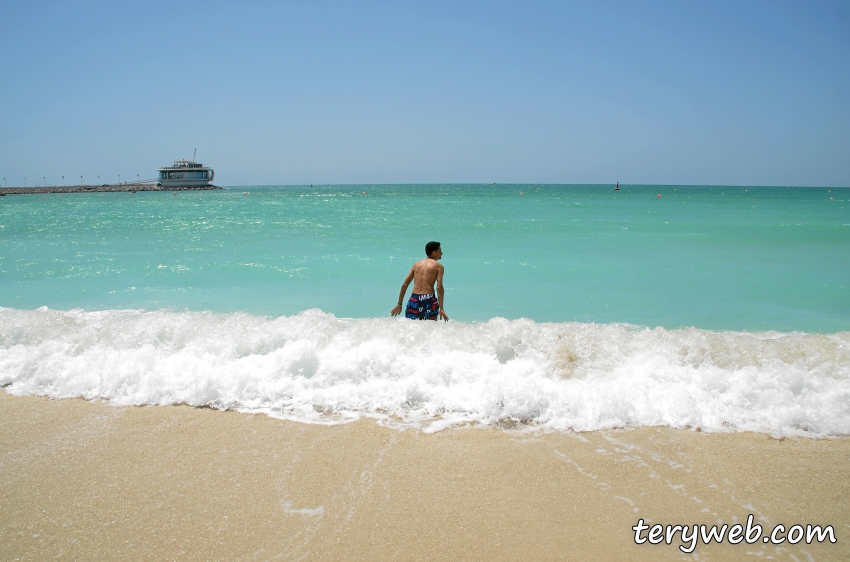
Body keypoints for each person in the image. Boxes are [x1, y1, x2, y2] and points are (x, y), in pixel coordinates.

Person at [391, 241, 449, 321]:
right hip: (428, 299)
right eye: (440, 251)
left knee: (412, 327)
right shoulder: (439, 266)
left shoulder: (416, 265)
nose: (442, 253)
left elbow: (404, 284)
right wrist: (441, 309)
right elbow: (439, 288)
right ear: (434, 253)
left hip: (414, 299)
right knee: (430, 328)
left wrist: (399, 304)